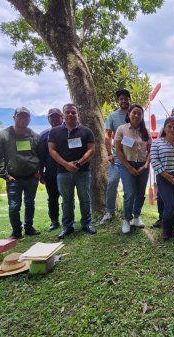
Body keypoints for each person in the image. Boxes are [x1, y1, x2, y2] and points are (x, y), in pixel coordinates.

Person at [0, 107, 42, 239]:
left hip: (32, 177)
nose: (23, 119)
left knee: (30, 203)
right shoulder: (2, 136)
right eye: (20, 116)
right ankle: (16, 231)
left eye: (26, 117)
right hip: (13, 178)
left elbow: (41, 156)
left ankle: (29, 227)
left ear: (29, 119)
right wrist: (5, 175)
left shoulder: (35, 137)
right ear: (14, 117)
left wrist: (39, 172)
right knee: (14, 206)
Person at [48, 104, 96, 239]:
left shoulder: (86, 131)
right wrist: (66, 164)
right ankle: (67, 226)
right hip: (63, 172)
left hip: (83, 171)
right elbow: (52, 150)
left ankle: (87, 223)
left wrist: (79, 163)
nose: (70, 115)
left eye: (73, 112)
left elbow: (91, 150)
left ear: (77, 114)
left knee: (85, 198)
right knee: (67, 200)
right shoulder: (55, 132)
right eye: (67, 112)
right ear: (63, 115)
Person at [115, 104, 152, 234]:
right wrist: (129, 167)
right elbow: (118, 150)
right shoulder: (122, 129)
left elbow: (150, 150)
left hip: (143, 165)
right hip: (126, 164)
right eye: (134, 113)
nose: (136, 115)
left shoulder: (145, 132)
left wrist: (146, 165)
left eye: (139, 114)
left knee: (141, 194)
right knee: (129, 193)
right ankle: (126, 219)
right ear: (129, 114)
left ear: (142, 117)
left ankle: (136, 216)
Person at [100, 89, 132, 225]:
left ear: (129, 100)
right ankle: (109, 211)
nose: (124, 101)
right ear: (118, 101)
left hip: (132, 156)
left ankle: (131, 212)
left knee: (130, 186)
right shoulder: (112, 116)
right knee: (112, 182)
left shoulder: (134, 113)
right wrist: (109, 154)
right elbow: (107, 135)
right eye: (121, 99)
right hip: (117, 157)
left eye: (126, 98)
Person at [39, 108, 63, 231]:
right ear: (48, 119)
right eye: (52, 117)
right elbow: (41, 156)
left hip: (65, 170)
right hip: (50, 171)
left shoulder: (67, 131)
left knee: (67, 196)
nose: (55, 119)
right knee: (52, 198)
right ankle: (54, 221)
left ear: (62, 117)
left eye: (57, 116)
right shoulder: (43, 135)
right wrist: (40, 173)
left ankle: (68, 218)